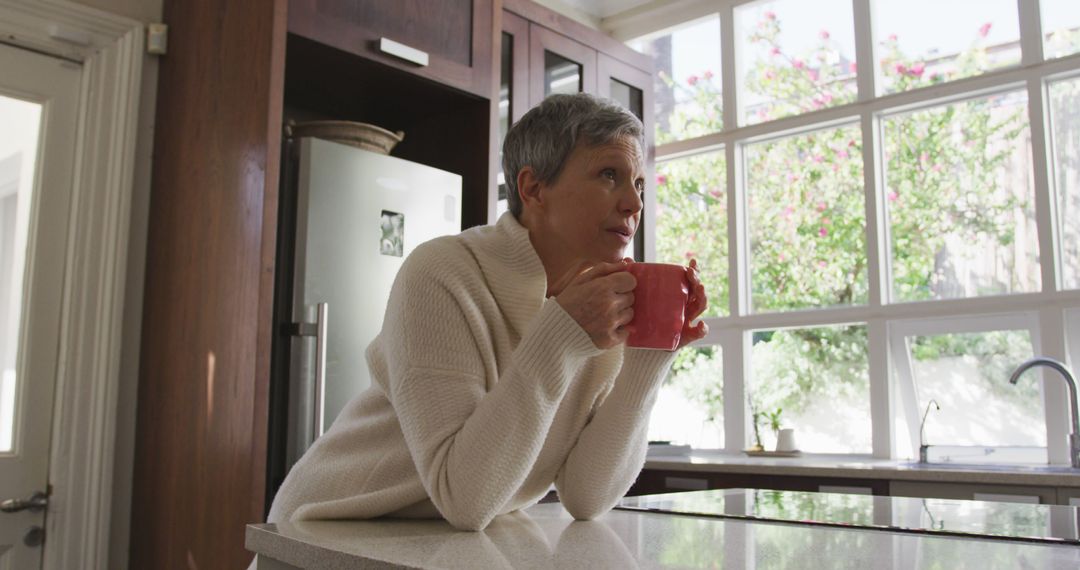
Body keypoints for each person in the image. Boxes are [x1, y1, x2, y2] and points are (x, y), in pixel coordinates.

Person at [265, 93, 708, 532]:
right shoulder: (442, 272)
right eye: (609, 174)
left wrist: (651, 352)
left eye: (639, 184)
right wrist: (562, 335)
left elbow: (586, 496)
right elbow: (464, 497)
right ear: (533, 188)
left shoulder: (599, 306)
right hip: (324, 532)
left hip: (438, 548)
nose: (634, 203)